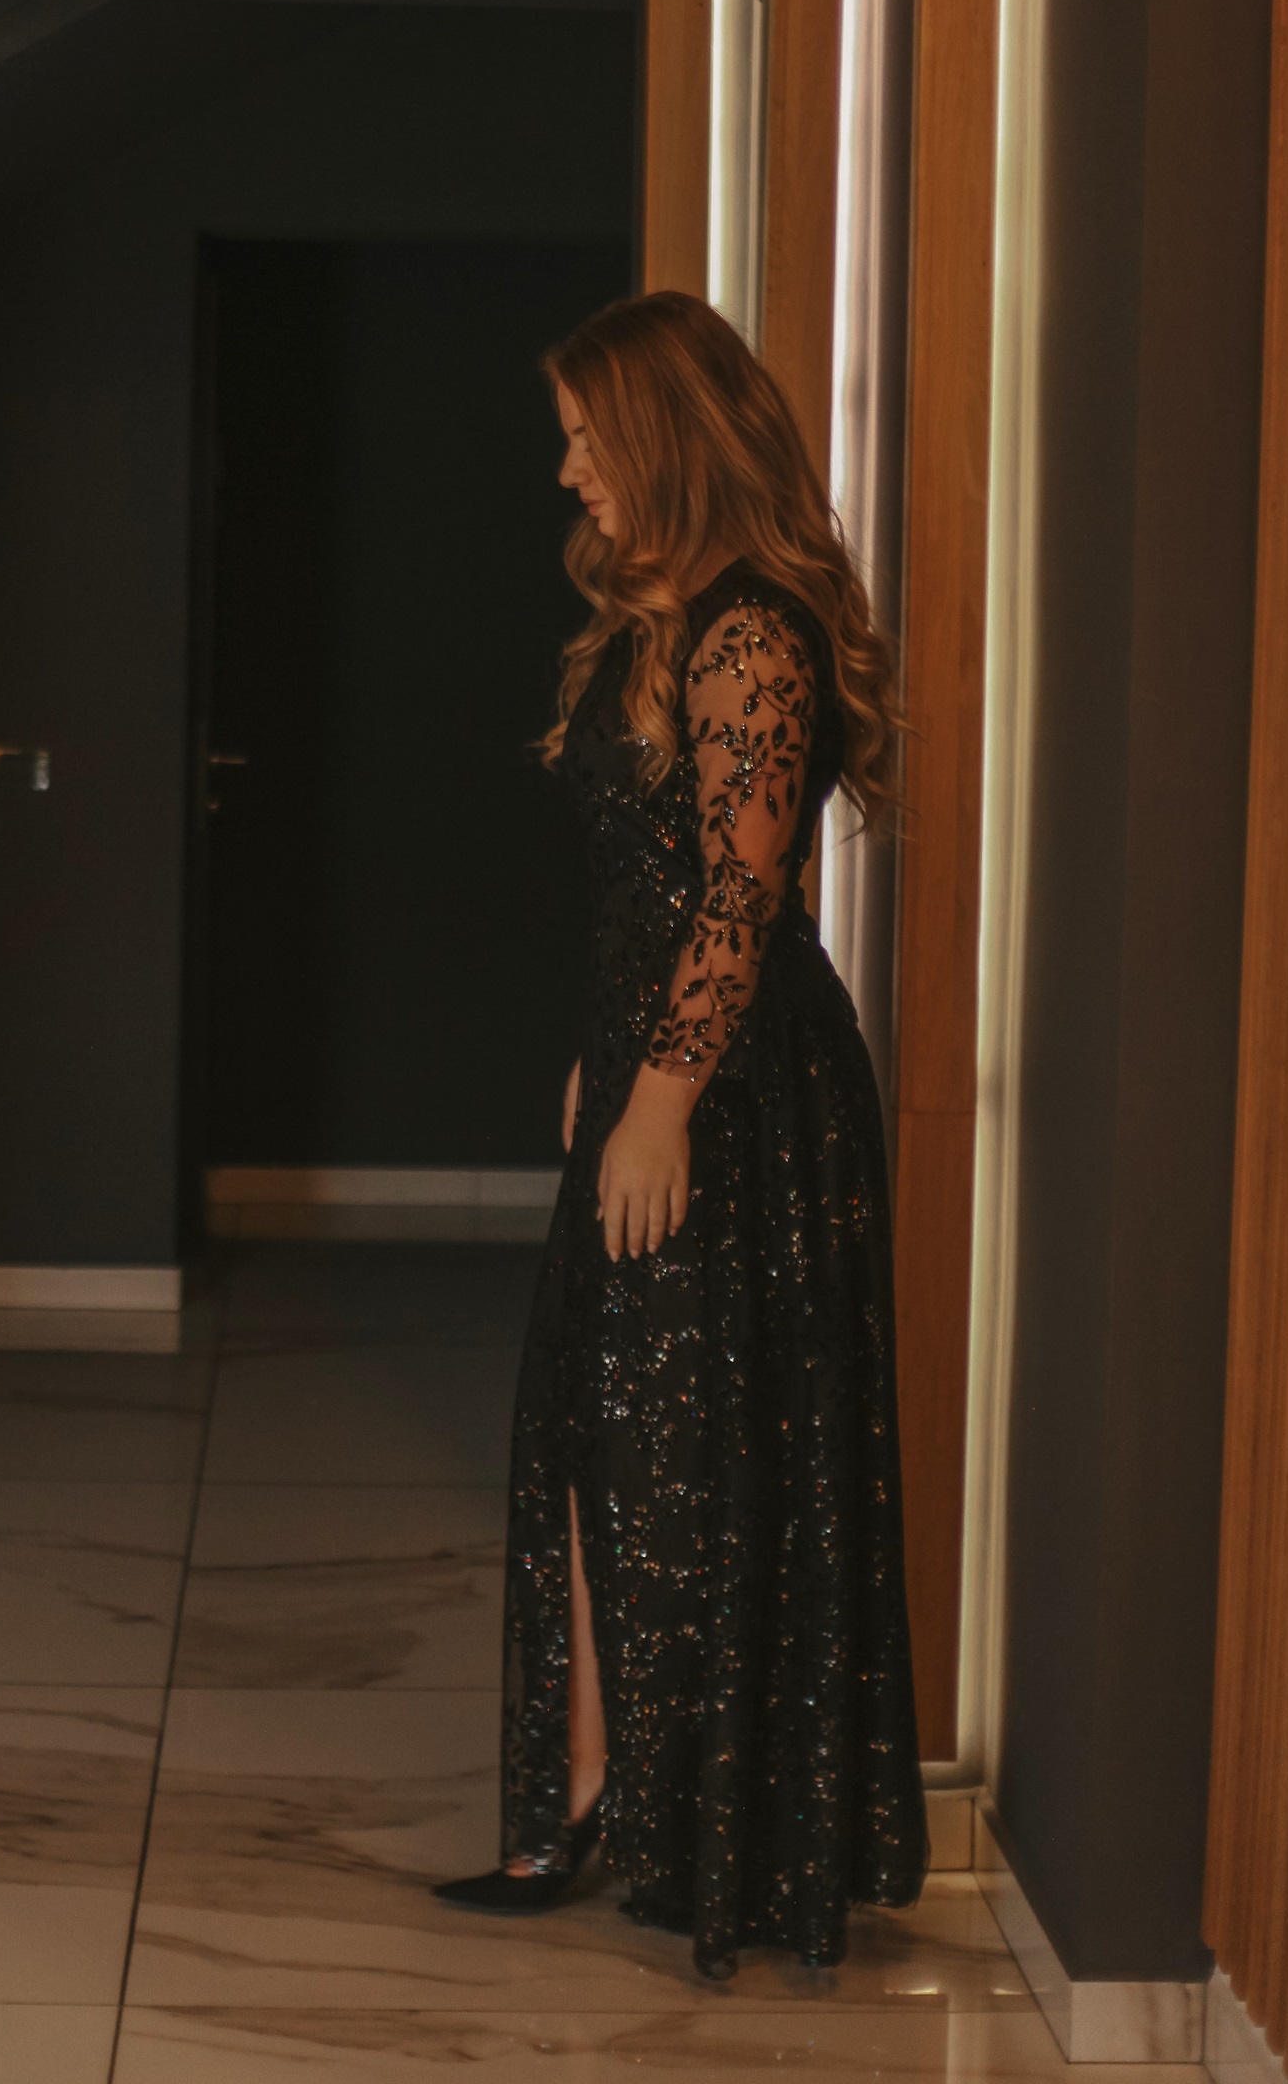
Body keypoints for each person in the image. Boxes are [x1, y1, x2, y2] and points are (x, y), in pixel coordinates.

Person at [434, 290, 926, 1977]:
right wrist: (612, 1062)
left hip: (745, 1105)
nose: (570, 471)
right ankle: (585, 1784)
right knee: (599, 1422)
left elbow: (741, 896)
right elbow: (653, 892)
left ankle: (711, 1832)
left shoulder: (750, 636)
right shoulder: (668, 623)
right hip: (664, 1070)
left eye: (588, 437)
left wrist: (660, 1098)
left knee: (701, 1457)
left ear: (661, 436)